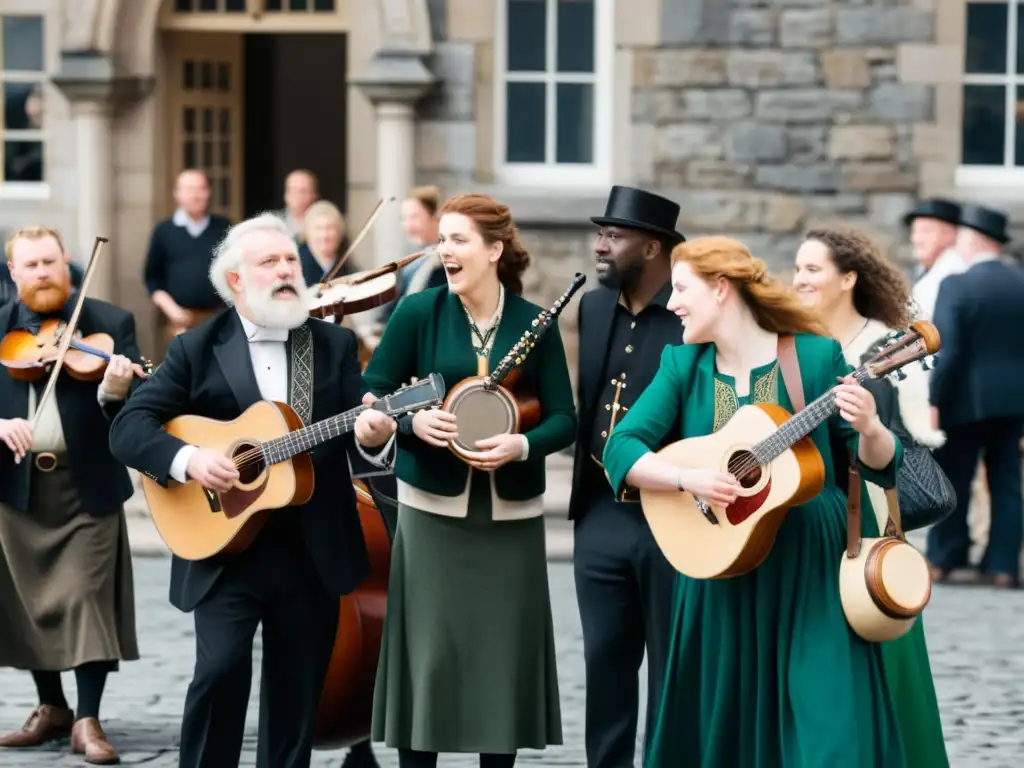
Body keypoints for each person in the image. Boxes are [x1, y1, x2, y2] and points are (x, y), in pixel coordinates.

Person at [602, 235, 907, 767]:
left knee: (825, 721)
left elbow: (874, 463)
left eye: (681, 289)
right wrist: (687, 477)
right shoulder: (684, 365)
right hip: (720, 565)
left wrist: (873, 426)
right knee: (725, 726)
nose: (670, 303)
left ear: (721, 289)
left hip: (808, 566)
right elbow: (620, 450)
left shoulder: (813, 356)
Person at [108, 212, 398, 768]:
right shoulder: (196, 347)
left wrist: (376, 436)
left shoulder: (333, 345)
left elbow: (361, 437)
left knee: (295, 699)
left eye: (290, 258)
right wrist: (190, 459)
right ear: (236, 280)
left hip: (311, 547)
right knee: (218, 674)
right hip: (224, 547)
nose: (288, 269)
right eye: (271, 261)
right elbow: (130, 428)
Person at [363, 193, 575, 768]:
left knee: (499, 663)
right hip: (432, 516)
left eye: (458, 240)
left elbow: (564, 418)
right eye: (442, 240)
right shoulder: (418, 313)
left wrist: (523, 444)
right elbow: (374, 392)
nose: (444, 250)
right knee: (430, 660)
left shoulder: (536, 322)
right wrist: (410, 421)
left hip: (510, 524)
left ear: (493, 250)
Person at [793, 225, 949, 768]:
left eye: (812, 270)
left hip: (874, 528)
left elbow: (909, 445)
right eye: (797, 269)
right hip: (805, 524)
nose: (799, 280)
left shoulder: (886, 346)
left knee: (886, 664)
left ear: (849, 278)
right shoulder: (792, 341)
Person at [0, 225, 140, 764]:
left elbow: (140, 409)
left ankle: (87, 718)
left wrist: (116, 388)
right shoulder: (0, 329)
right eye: (31, 265)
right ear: (14, 273)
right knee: (30, 602)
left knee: (85, 598)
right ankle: (51, 706)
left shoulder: (108, 323)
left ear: (67, 264)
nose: (42, 273)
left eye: (51, 263)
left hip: (87, 485)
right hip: (19, 488)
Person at [568, 185, 683, 767]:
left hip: (671, 520)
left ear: (654, 247)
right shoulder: (591, 307)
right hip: (600, 516)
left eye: (615, 236)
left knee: (668, 668)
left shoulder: (689, 313)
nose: (601, 246)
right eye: (601, 234)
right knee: (605, 664)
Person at [928, 203, 1024, 589]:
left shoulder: (956, 284)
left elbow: (946, 352)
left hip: (965, 401)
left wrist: (934, 401)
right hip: (1016, 401)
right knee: (1006, 481)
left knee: (954, 479)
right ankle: (1002, 566)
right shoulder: (1020, 283)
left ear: (971, 241)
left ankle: (945, 557)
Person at [143, 169, 232, 347]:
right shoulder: (164, 231)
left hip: (218, 320)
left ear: (208, 192)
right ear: (177, 194)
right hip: (176, 320)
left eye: (201, 189)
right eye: (190, 189)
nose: (196, 195)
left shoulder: (224, 228)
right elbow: (152, 278)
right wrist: (171, 309)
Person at [904, 198, 963, 320]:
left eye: (926, 231)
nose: (916, 239)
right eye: (914, 231)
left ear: (950, 235)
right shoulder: (925, 270)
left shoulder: (955, 273)